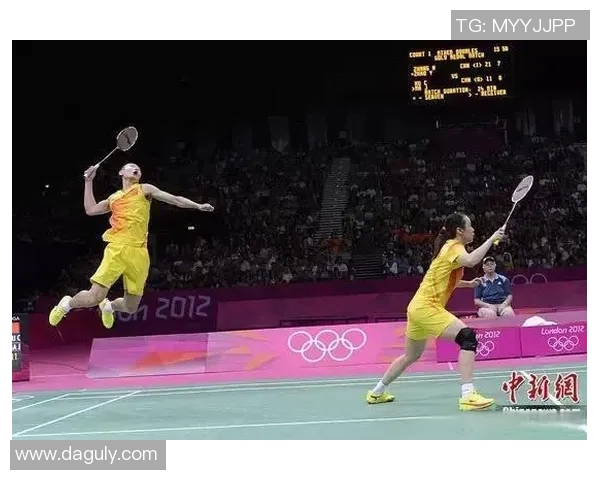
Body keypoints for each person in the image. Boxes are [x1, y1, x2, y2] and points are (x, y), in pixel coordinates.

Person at [366, 213, 505, 411]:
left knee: (410, 356)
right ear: (460, 231)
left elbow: (445, 279)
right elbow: (472, 261)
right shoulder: (453, 246)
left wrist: (467, 284)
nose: (473, 230)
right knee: (468, 337)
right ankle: (468, 395)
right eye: (470, 226)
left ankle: (376, 392)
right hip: (427, 307)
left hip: (416, 308)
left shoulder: (448, 248)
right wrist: (492, 238)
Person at [48, 163, 214, 329]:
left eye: (139, 169)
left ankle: (109, 307)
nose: (136, 169)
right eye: (132, 167)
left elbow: (175, 199)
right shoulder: (114, 198)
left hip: (139, 253)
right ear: (121, 172)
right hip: (117, 249)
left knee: (131, 307)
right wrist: (88, 181)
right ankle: (66, 305)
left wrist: (197, 206)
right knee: (94, 297)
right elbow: (90, 209)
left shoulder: (144, 189)